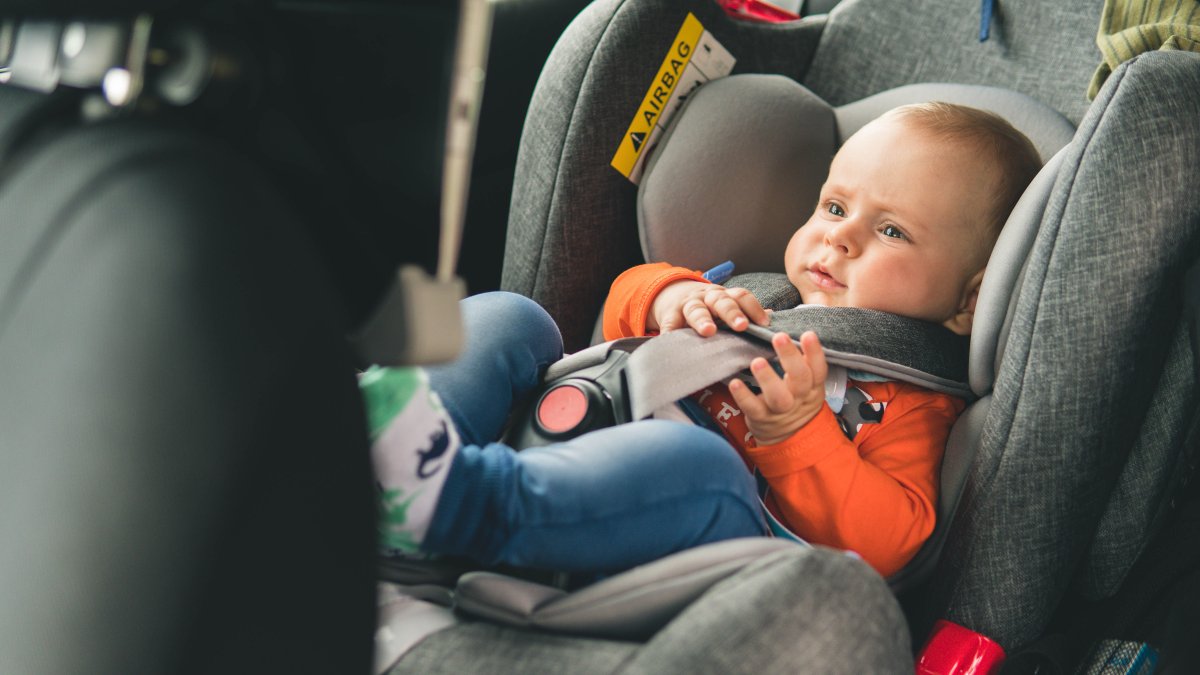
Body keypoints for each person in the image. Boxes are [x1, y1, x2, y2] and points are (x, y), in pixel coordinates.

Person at [365, 102, 1042, 577]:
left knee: (704, 468)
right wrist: (672, 298)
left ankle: (461, 505)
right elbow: (618, 322)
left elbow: (894, 544)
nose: (839, 235)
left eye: (891, 230)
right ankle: (388, 452)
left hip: (710, 543)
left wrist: (800, 433)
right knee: (513, 319)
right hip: (592, 426)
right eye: (835, 207)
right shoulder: (760, 295)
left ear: (968, 300)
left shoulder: (916, 401)